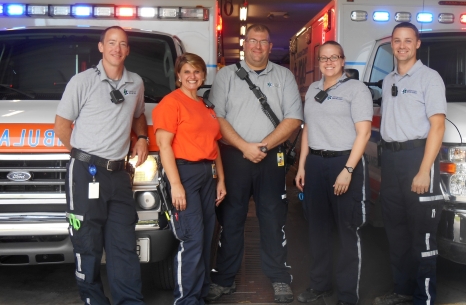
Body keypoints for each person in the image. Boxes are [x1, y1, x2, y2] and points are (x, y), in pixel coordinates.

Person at [207, 24, 303, 303]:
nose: (258, 47)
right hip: (234, 158)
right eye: (252, 41)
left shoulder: (283, 75)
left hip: (271, 157)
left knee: (273, 220)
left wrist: (262, 146)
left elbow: (293, 119)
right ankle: (224, 279)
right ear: (244, 45)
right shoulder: (226, 76)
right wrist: (244, 147)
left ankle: (279, 278)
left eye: (263, 42)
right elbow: (218, 119)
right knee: (231, 220)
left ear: (270, 47)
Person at [54, 26, 149, 305]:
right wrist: (85, 155)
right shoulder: (81, 82)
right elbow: (61, 126)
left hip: (119, 175)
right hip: (85, 173)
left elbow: (139, 114)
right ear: (101, 47)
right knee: (88, 244)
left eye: (122, 44)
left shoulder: (136, 83)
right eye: (111, 43)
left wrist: (141, 137)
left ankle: (130, 301)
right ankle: (93, 300)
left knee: (123, 245)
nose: (116, 49)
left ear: (128, 49)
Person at [373, 22, 446, 305]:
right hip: (391, 162)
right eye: (396, 41)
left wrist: (424, 170)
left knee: (421, 237)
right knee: (397, 233)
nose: (401, 45)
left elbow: (437, 127)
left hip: (417, 160)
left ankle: (423, 298)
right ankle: (402, 290)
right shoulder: (389, 79)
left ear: (417, 44)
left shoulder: (429, 78)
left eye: (407, 40)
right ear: (392, 44)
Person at [295, 41, 372, 305]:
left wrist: (348, 170)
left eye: (334, 57)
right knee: (317, 229)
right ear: (318, 63)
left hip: (344, 162)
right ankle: (320, 286)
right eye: (323, 58)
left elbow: (363, 133)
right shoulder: (314, 89)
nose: (328, 62)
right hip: (316, 164)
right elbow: (307, 129)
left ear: (343, 60)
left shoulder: (356, 89)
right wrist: (302, 165)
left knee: (347, 231)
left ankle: (348, 296)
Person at [152, 53, 226, 305]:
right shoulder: (170, 103)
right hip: (183, 174)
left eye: (196, 72)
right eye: (186, 72)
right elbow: (164, 147)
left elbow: (214, 147)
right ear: (178, 77)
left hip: (207, 176)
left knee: (205, 238)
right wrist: (175, 185)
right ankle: (186, 300)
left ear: (203, 75)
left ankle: (201, 293)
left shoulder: (206, 106)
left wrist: (221, 181)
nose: (192, 76)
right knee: (192, 239)